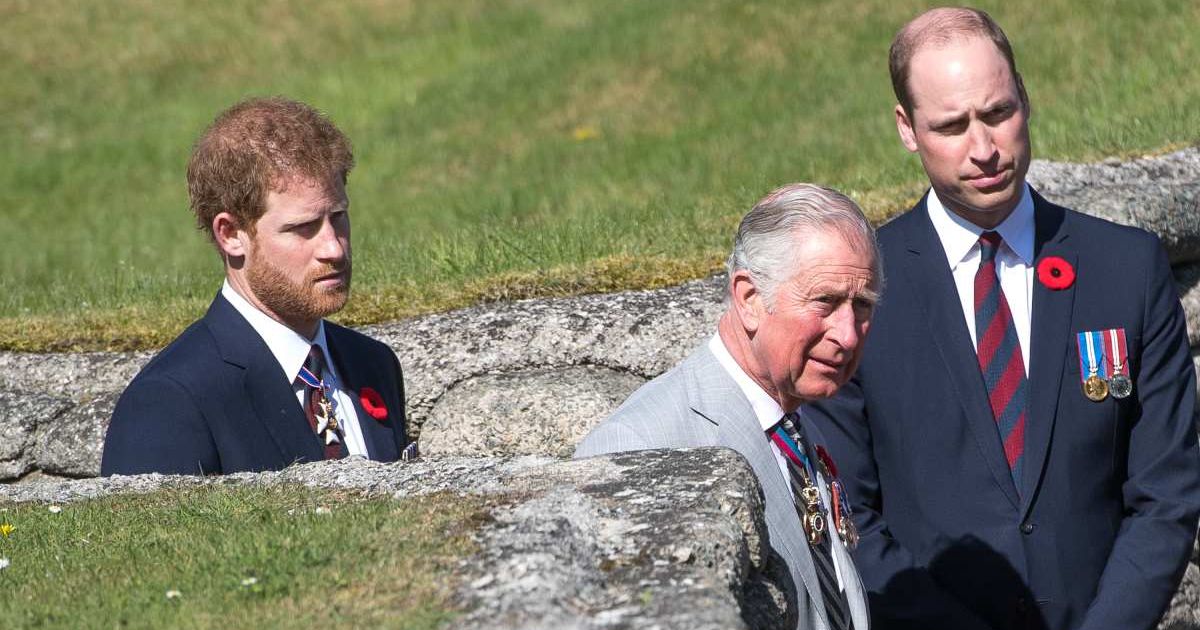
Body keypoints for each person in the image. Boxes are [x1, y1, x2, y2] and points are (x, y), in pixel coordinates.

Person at [805, 8, 1200, 630]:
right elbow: (846, 514)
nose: (983, 149)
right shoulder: (859, 293)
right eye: (952, 126)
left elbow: (1167, 492)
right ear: (907, 129)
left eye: (998, 113)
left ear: (1026, 98)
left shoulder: (1126, 269)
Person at [577, 183, 880, 630]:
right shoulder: (638, 452)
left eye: (862, 305)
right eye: (826, 302)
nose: (848, 333)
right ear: (749, 299)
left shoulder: (793, 421)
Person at [102, 97, 411, 476]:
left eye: (339, 217)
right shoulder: (171, 401)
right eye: (302, 228)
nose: (333, 248)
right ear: (231, 235)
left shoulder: (373, 364)